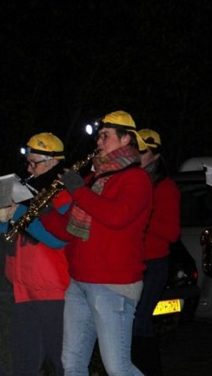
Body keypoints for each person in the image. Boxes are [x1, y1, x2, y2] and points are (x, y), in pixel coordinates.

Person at [40, 110, 152, 376]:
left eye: (105, 136)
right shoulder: (95, 179)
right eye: (99, 136)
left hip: (113, 285)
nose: (99, 142)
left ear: (126, 139)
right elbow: (69, 230)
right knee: (72, 363)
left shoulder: (137, 179)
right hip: (79, 282)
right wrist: (38, 211)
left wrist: (78, 190)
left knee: (117, 368)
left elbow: (116, 217)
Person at [0, 132, 71, 375]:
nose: (30, 168)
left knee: (60, 361)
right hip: (23, 288)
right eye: (28, 162)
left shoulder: (64, 193)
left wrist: (20, 214)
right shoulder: (28, 189)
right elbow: (10, 234)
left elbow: (57, 239)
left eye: (35, 163)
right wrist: (3, 217)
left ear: (54, 162)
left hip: (51, 289)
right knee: (25, 362)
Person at [131, 129, 181, 375]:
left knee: (140, 322)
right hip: (132, 263)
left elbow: (171, 233)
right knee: (132, 323)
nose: (137, 156)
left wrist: (142, 217)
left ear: (156, 155)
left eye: (143, 151)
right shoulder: (131, 180)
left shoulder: (165, 187)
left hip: (153, 263)